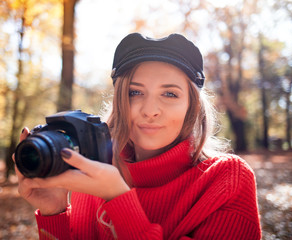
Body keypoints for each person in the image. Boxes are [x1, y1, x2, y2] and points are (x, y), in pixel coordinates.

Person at [14, 33, 262, 239]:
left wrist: (118, 199)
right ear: (120, 100)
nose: (150, 110)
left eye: (170, 94)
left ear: (192, 106)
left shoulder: (226, 180)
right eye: (135, 92)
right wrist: (54, 212)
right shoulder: (92, 170)